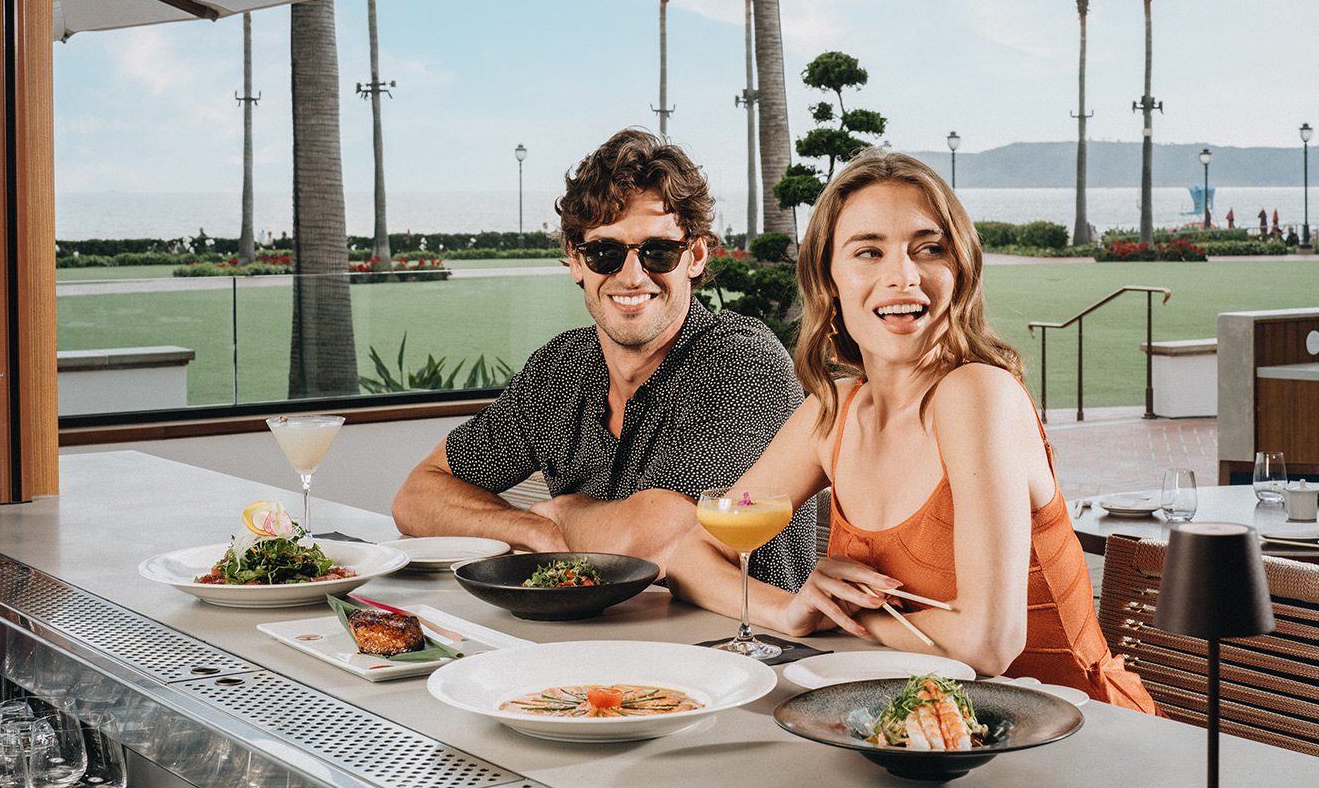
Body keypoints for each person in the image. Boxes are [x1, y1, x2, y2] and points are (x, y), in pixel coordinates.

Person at [668, 150, 1157, 711]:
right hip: (906, 726)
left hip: (1070, 735)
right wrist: (789, 610)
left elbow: (988, 644)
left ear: (961, 270)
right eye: (868, 252)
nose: (902, 276)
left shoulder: (978, 395)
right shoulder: (834, 412)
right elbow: (693, 553)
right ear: (828, 279)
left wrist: (846, 618)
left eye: (929, 249)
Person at [392, 129, 817, 591]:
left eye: (658, 251)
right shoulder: (562, 368)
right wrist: (532, 528)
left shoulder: (742, 362)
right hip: (595, 641)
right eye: (605, 253)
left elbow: (658, 543)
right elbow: (417, 497)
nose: (632, 276)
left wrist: (564, 510)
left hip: (737, 645)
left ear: (694, 255)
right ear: (576, 261)